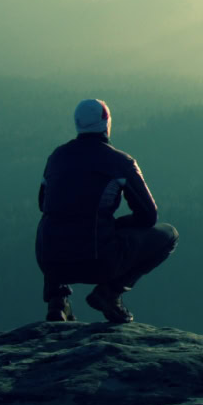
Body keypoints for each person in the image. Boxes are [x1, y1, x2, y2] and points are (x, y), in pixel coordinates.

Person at [35, 98, 179, 323]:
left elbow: (44, 204)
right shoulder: (121, 162)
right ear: (107, 123)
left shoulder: (57, 157)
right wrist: (116, 225)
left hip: (50, 261)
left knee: (54, 220)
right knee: (168, 235)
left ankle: (57, 301)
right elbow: (149, 216)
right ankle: (109, 294)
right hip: (97, 260)